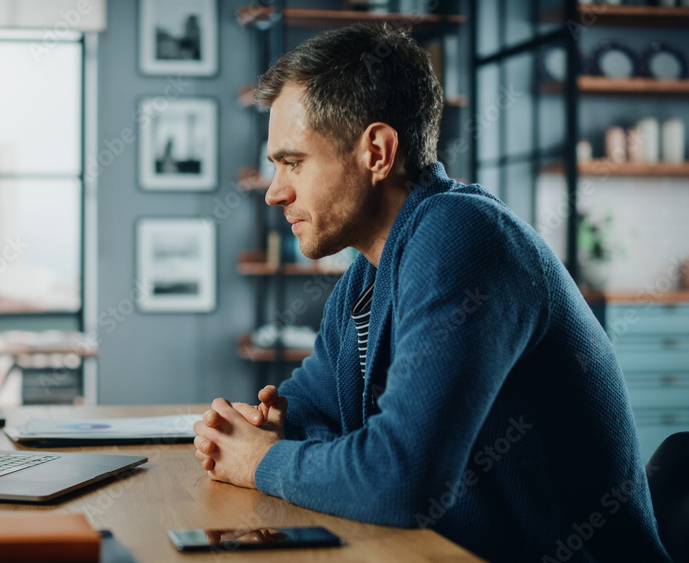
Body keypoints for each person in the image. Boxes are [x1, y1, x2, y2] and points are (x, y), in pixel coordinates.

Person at [192, 25, 669, 562]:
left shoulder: (462, 236)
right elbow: (309, 408)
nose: (275, 192)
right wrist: (257, 428)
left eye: (293, 162)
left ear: (376, 151)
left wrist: (260, 461)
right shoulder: (366, 275)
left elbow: (400, 480)